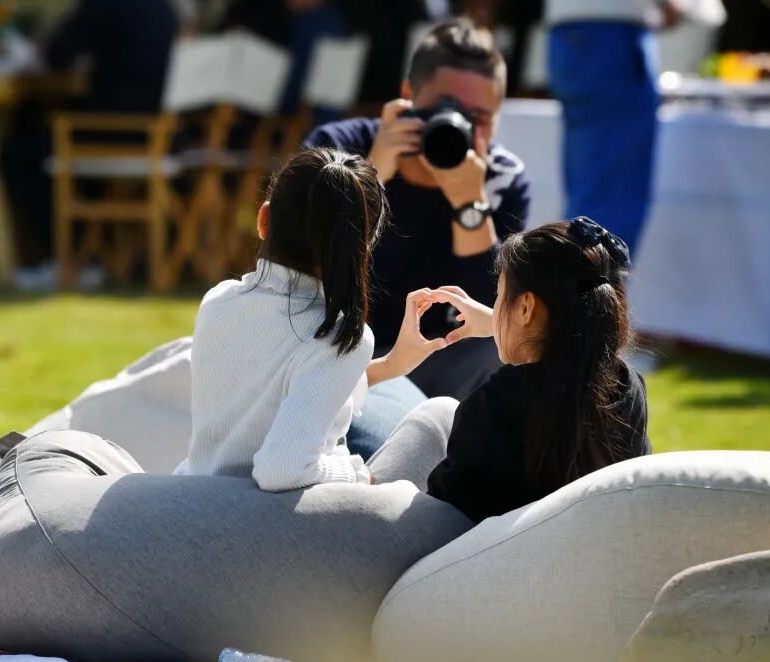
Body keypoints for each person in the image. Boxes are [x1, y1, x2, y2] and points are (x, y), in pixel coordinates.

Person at [304, 18, 532, 456]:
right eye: (445, 108)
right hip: (340, 355)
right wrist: (370, 176)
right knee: (395, 445)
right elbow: (304, 267)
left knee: (505, 346)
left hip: (440, 359)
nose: (459, 126)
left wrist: (469, 204)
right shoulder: (338, 149)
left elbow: (492, 312)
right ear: (408, 96)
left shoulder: (500, 177)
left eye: (480, 118)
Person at [177, 147, 447, 491]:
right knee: (440, 417)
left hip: (198, 492)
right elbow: (282, 470)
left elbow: (280, 384)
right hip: (271, 515)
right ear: (361, 248)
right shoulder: (335, 335)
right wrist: (355, 474)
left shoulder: (218, 301)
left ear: (263, 220)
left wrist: (391, 365)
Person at [368, 217, 651, 522]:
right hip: (573, 544)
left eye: (500, 295)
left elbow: (440, 520)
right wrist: (499, 322)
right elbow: (568, 348)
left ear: (526, 308)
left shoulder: (495, 405)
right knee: (438, 413)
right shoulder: (628, 388)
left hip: (463, 548)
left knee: (423, 427)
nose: (497, 304)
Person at [0, 0, 177, 270]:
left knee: (18, 154)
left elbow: (58, 55)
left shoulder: (103, 5)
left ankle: (68, 257)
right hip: (159, 136)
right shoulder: (164, 8)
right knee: (37, 138)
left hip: (113, 132)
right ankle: (90, 251)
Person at [545, 0, 681, 257]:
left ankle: (572, 278)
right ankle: (587, 282)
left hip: (571, 35)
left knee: (592, 193)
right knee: (610, 200)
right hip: (613, 37)